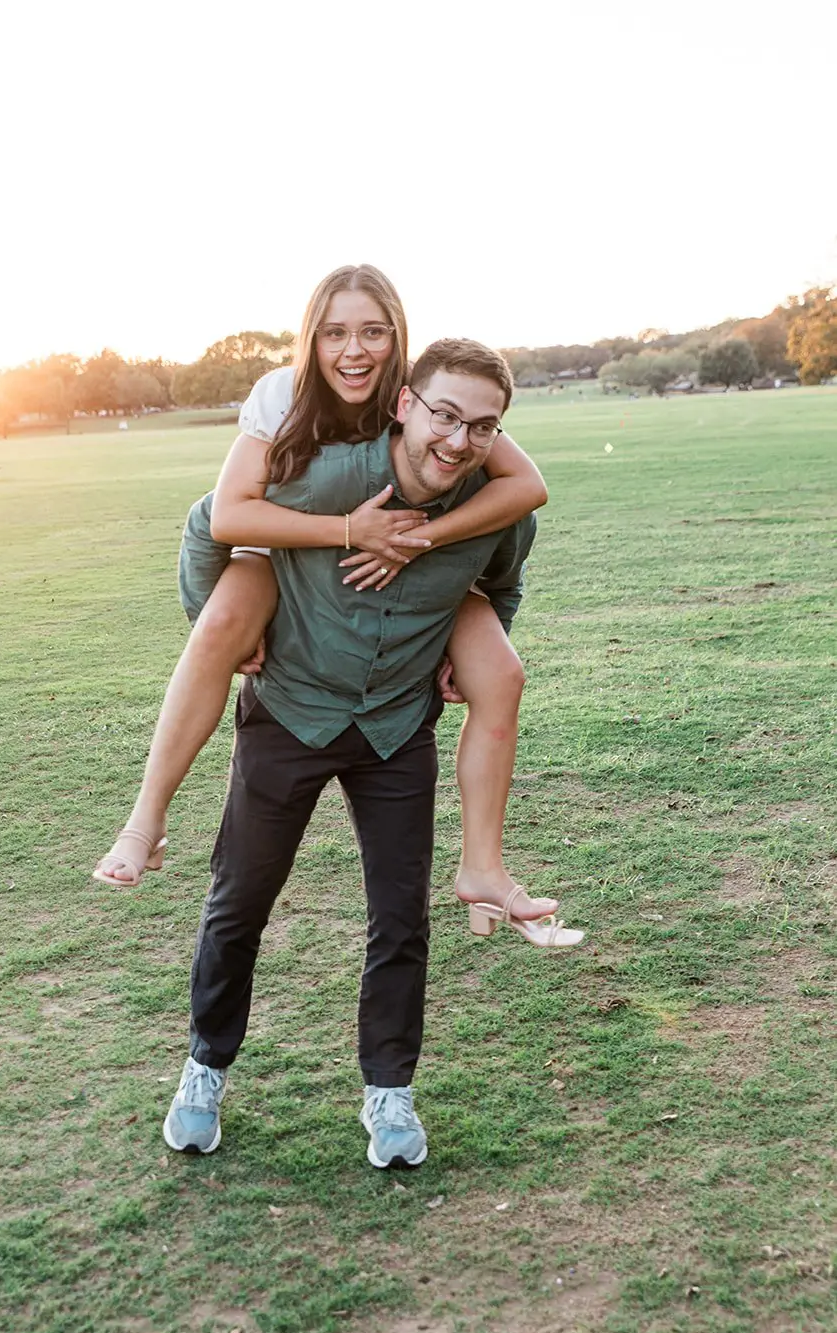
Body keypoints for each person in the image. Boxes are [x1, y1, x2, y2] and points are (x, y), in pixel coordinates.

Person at [160, 338, 582, 1170]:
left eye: (481, 426)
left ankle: (389, 1094)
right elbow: (210, 521)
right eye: (444, 416)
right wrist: (221, 621)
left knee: (400, 920)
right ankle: (204, 1069)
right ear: (406, 405)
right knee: (238, 904)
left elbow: (503, 583)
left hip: (395, 731)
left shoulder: (500, 509)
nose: (457, 441)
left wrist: (467, 651)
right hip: (290, 715)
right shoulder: (331, 480)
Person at [94, 265, 561, 925]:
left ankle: (483, 865)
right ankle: (146, 820)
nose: (354, 350)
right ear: (310, 339)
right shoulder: (283, 398)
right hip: (282, 545)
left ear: (397, 338)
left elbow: (525, 493)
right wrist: (347, 531)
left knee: (502, 671)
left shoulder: (430, 404)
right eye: (335, 333)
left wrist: (417, 540)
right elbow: (222, 516)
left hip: (403, 562)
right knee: (225, 619)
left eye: (373, 331)